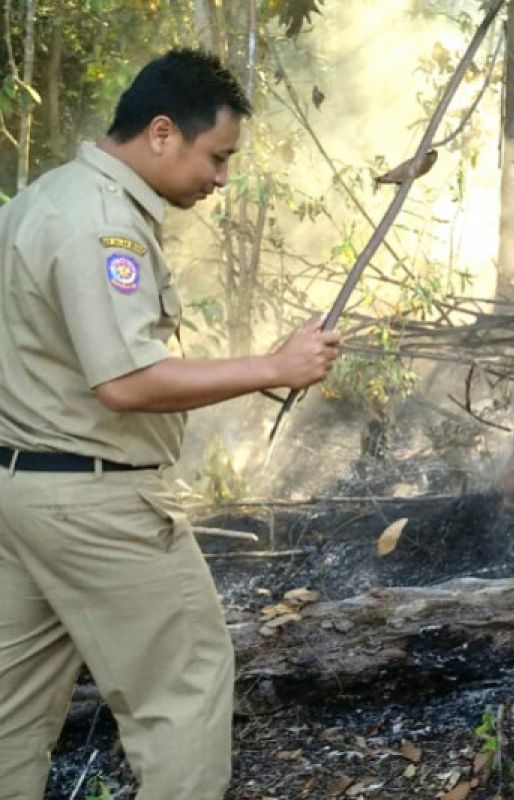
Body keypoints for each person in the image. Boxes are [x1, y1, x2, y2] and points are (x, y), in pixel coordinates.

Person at [0, 49, 341, 799]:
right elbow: (126, 381)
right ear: (161, 132)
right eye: (216, 157)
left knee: (10, 716)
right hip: (99, 507)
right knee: (184, 690)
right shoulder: (102, 227)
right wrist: (275, 367)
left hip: (20, 496)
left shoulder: (41, 199)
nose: (221, 179)